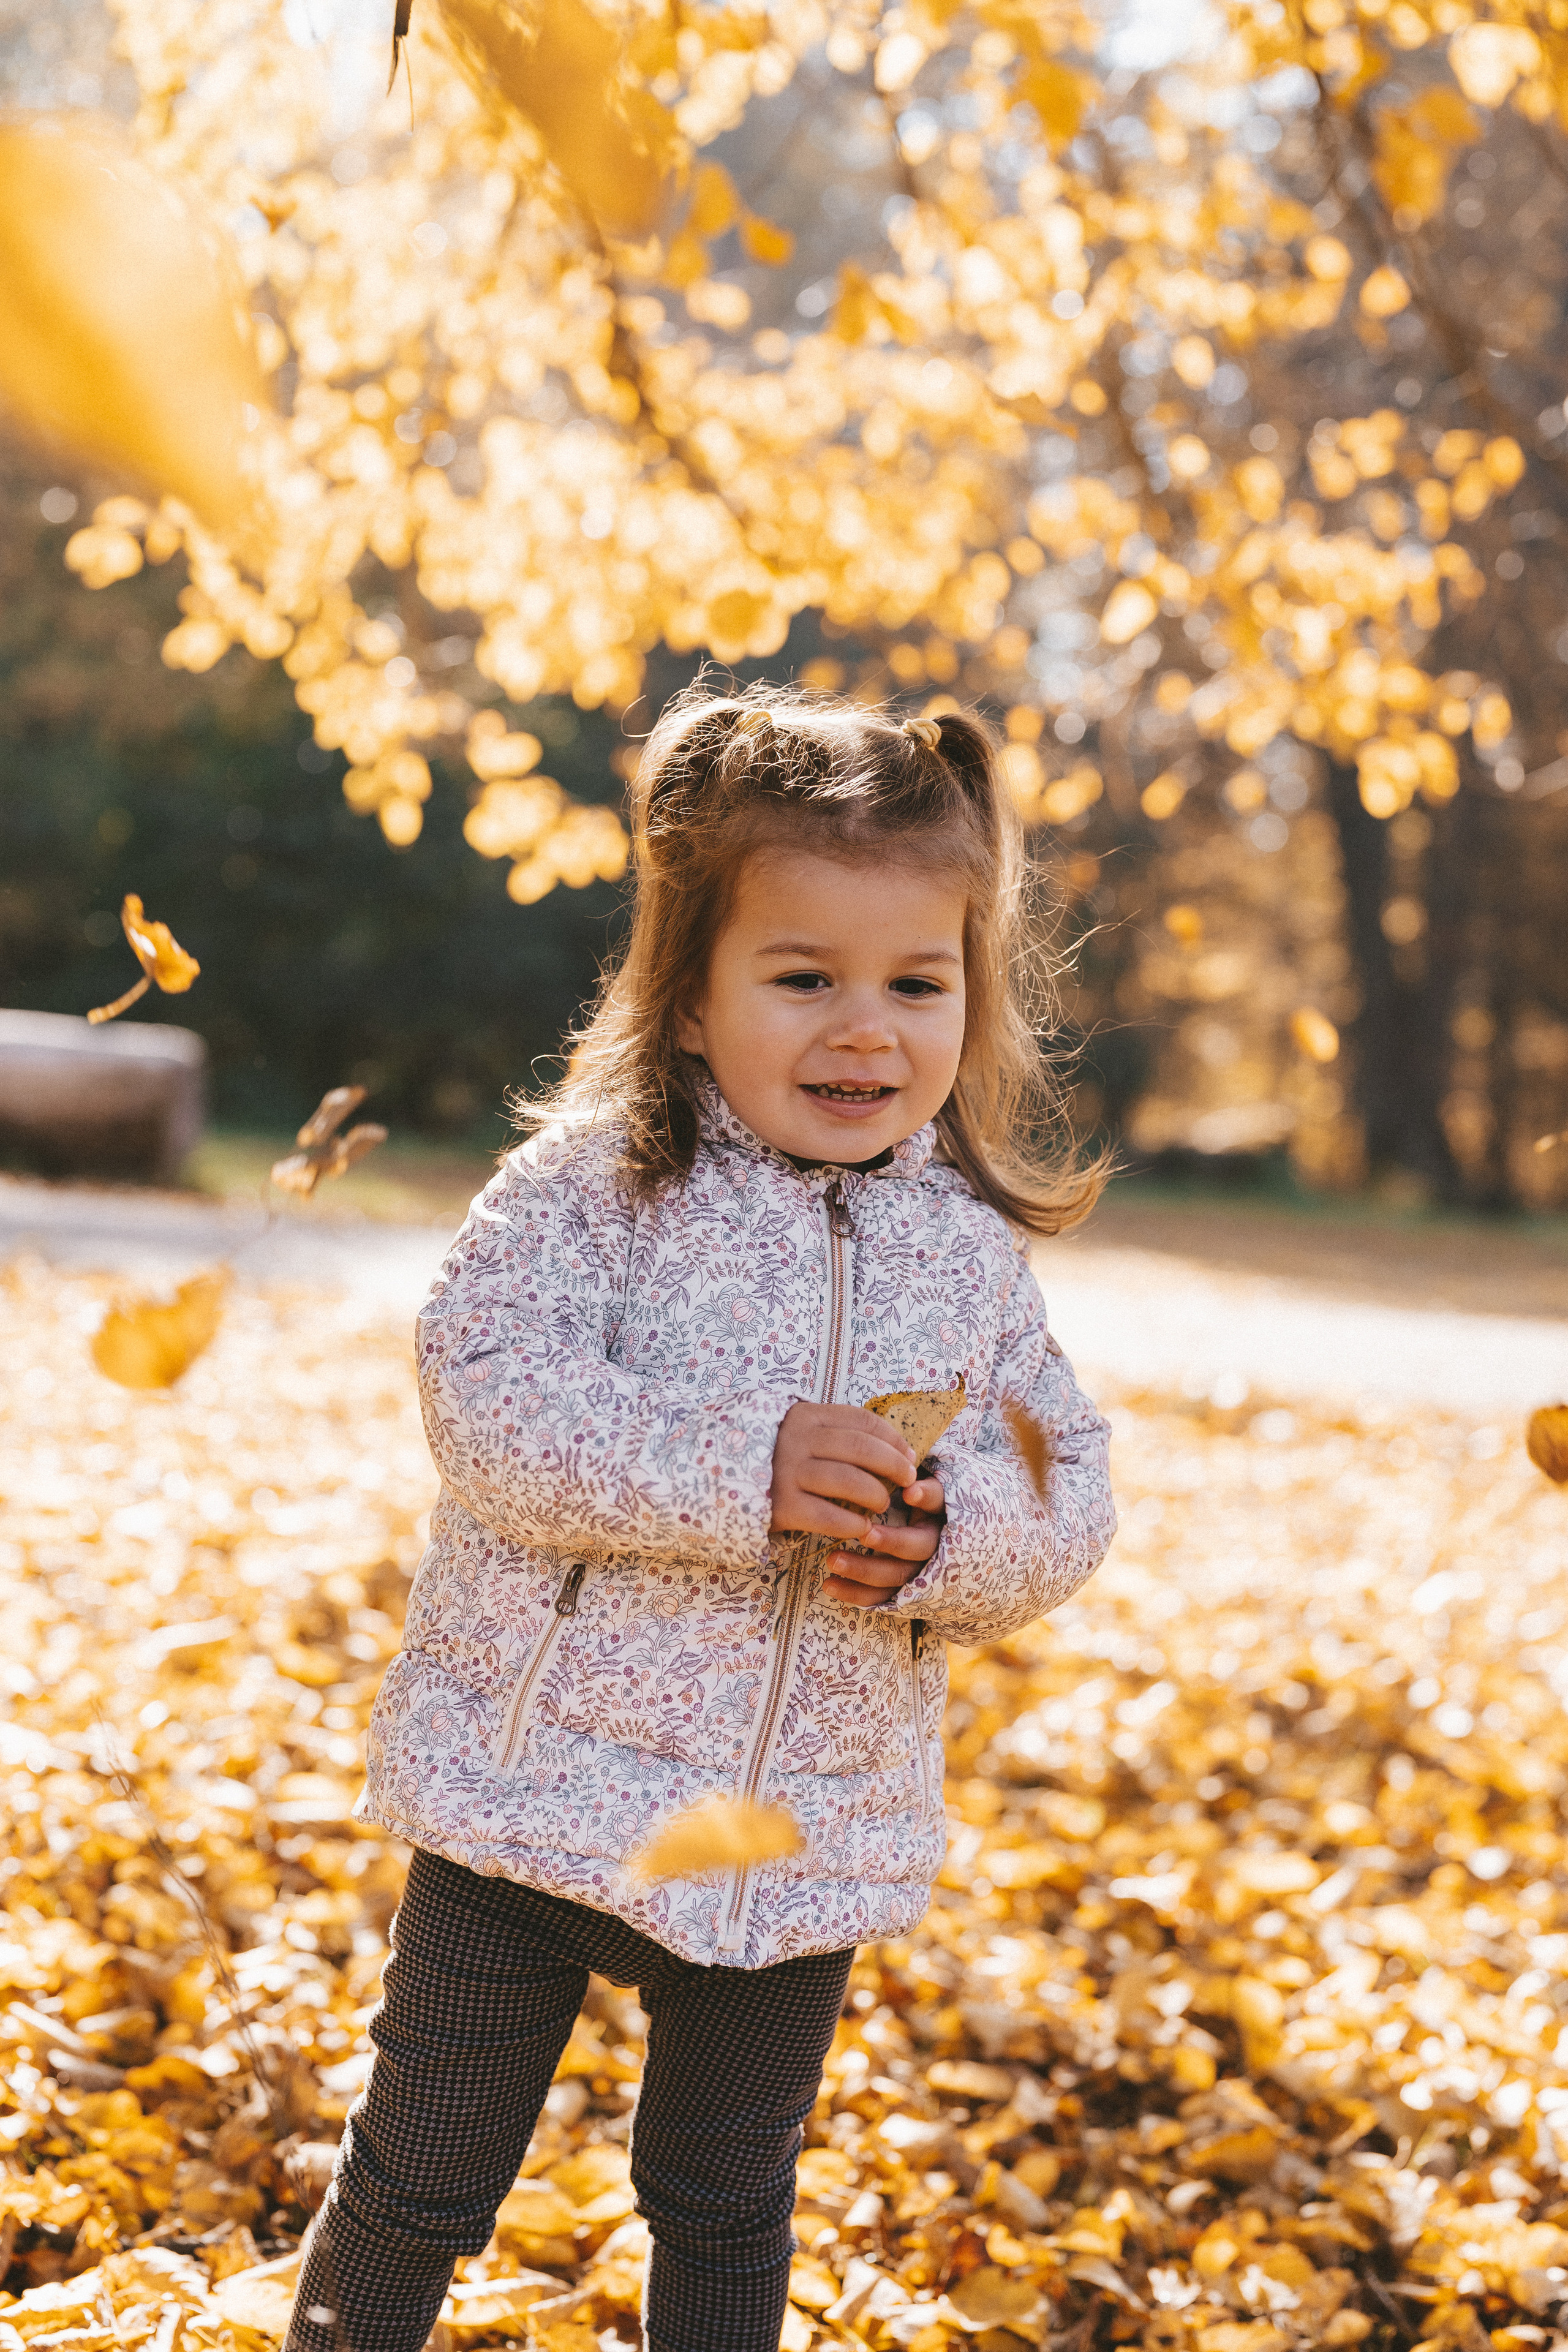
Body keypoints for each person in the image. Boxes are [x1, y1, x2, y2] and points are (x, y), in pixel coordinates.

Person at [284, 685, 1116, 2352]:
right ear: (687, 993)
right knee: (425, 2173)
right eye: (804, 979)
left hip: (796, 1832)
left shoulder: (968, 1255)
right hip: (534, 1791)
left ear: (972, 997)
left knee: (727, 2200)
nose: (865, 1030)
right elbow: (488, 1399)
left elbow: (1066, 1479)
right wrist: (747, 1468)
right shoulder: (595, 1193)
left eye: (917, 984)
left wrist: (947, 1538)